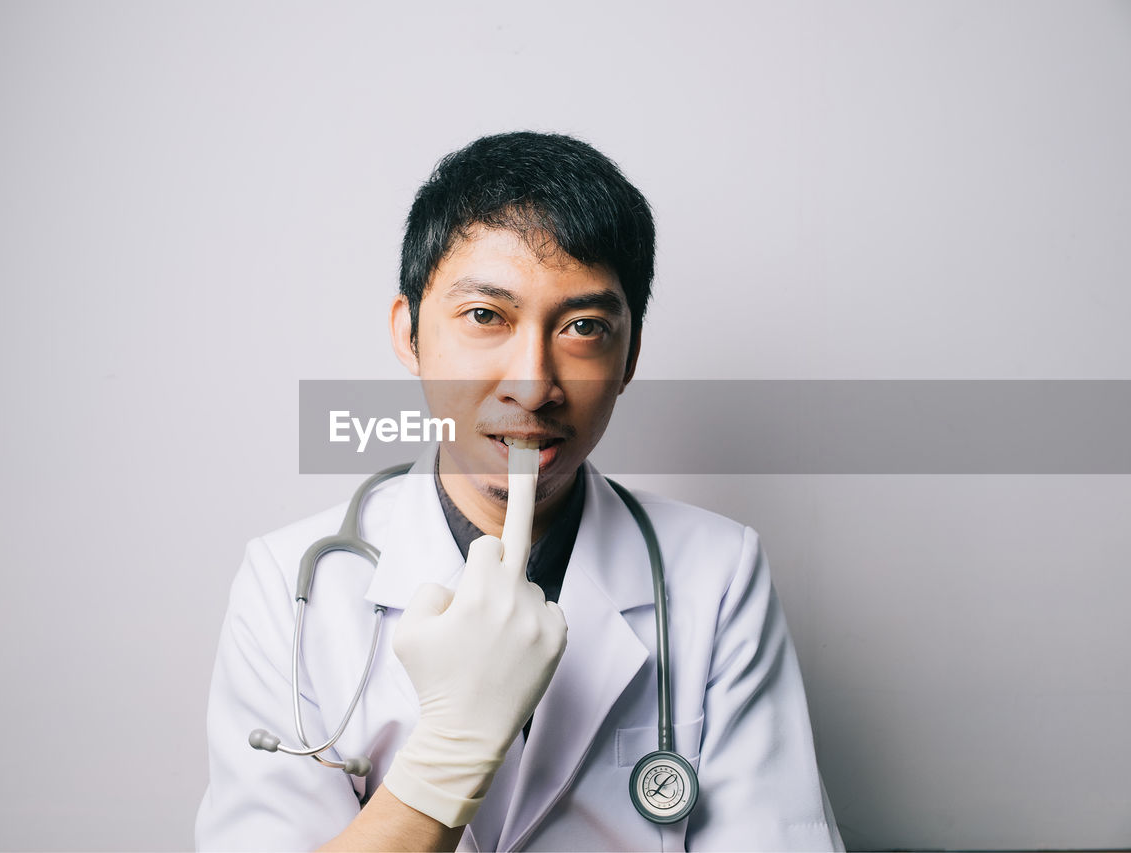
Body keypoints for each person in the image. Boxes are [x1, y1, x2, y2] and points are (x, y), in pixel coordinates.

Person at [195, 132, 843, 851]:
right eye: (485, 317)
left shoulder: (718, 574)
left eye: (583, 327)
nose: (533, 384)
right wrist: (447, 758)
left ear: (629, 357)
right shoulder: (289, 585)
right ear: (408, 334)